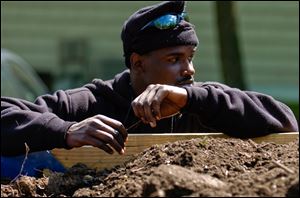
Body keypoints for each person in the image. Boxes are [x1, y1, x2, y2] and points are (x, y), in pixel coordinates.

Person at [1, 1, 298, 178]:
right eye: (174, 59)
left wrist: (193, 99)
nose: (189, 70)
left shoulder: (199, 101)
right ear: (138, 64)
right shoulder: (92, 101)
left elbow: (286, 121)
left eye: (190, 58)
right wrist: (66, 130)